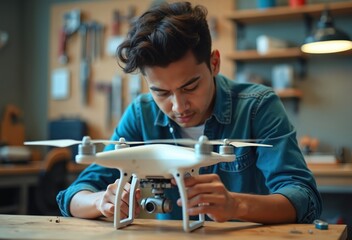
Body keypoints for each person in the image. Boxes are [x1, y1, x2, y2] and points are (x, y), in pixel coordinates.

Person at [57, 1, 322, 224]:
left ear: (214, 63)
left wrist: (236, 206)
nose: (178, 106)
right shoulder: (141, 114)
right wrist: (102, 202)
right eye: (161, 92)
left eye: (190, 86)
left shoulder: (258, 106)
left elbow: (304, 197)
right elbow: (74, 195)